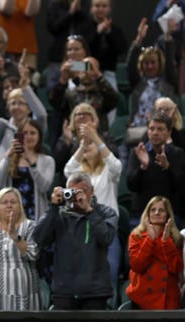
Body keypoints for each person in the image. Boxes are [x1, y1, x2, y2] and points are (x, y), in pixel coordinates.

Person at [33, 172, 118, 310]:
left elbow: (106, 238)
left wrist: (90, 211)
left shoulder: (106, 213)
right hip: (64, 292)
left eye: (82, 191)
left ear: (92, 191)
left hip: (95, 293)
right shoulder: (58, 215)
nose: (77, 196)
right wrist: (53, 207)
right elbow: (39, 238)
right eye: (72, 191)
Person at [64, 112, 122, 305]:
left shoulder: (108, 171)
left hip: (105, 227)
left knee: (110, 276)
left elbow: (117, 165)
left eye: (92, 146)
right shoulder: (78, 175)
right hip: (81, 229)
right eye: (85, 146)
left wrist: (95, 137)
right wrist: (83, 143)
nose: (88, 147)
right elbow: (67, 169)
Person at [0, 187, 40, 311]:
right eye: (4, 202)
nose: (9, 205)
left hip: (23, 288)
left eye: (13, 202)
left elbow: (33, 254)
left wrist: (14, 235)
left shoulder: (30, 226)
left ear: (20, 205)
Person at [0, 118, 55, 221]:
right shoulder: (8, 159)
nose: (28, 136)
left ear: (39, 136)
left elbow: (44, 187)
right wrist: (7, 155)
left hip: (36, 216)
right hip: (12, 216)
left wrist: (31, 162)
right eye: (25, 133)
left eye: (32, 133)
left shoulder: (47, 160)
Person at [126, 112, 185, 224]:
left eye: (160, 129)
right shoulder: (137, 152)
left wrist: (168, 168)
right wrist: (143, 167)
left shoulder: (178, 154)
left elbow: (181, 187)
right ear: (147, 131)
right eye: (151, 129)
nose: (155, 133)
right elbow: (131, 185)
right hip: (142, 214)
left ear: (169, 132)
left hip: (169, 215)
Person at [127, 196, 184, 310]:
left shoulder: (176, 238)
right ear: (147, 214)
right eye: (153, 210)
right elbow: (137, 266)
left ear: (168, 215)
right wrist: (149, 241)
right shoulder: (136, 236)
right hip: (142, 299)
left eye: (161, 210)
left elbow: (177, 268)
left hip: (168, 300)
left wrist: (165, 242)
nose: (157, 213)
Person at [0, 0, 41, 69]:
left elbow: (31, 12)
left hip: (27, 47)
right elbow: (8, 10)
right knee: (5, 76)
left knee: (28, 77)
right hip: (5, 47)